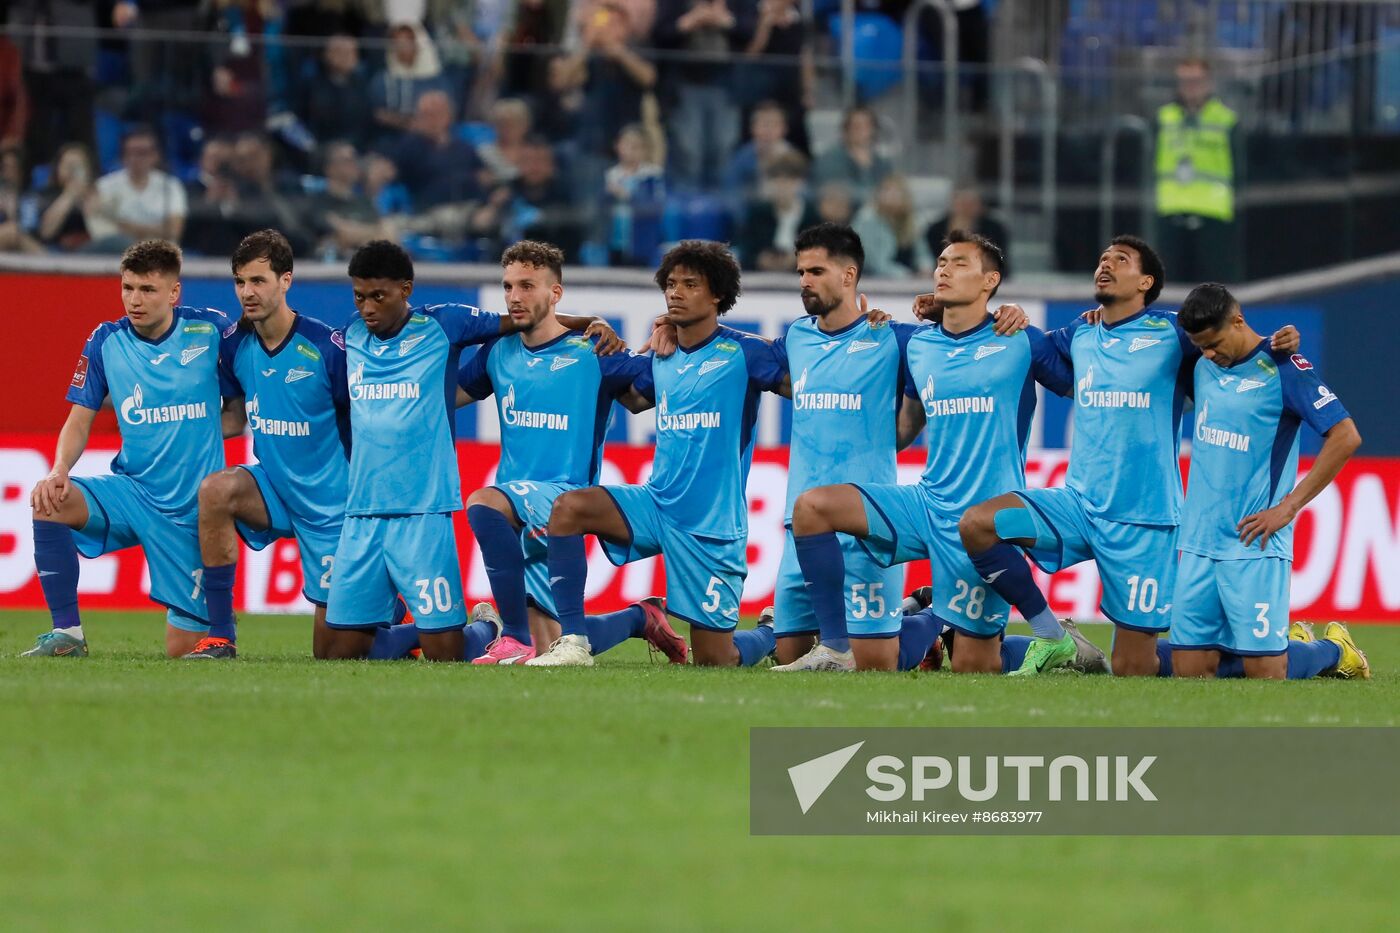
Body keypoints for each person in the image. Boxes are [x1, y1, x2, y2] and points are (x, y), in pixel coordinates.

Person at [958, 236, 1301, 677]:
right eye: (1102, 258)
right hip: (1078, 504)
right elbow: (1030, 347)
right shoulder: (1080, 332)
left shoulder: (1174, 333)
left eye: (1120, 260)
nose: (1106, 264)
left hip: (1145, 519)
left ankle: (1310, 652)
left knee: (1133, 668)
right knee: (979, 524)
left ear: (1146, 282)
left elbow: (1234, 342)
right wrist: (1003, 314)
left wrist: (1277, 342)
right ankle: (1053, 636)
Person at [789, 231, 1104, 674]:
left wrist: (1095, 319)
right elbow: (904, 426)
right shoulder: (918, 345)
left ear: (990, 280)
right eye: (941, 262)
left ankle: (1059, 641)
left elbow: (1086, 386)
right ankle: (835, 649)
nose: (943, 269)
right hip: (925, 503)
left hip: (983, 521)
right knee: (812, 508)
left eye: (959, 263)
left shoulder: (1021, 340)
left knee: (975, 667)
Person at [319, 241, 621, 662]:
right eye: (359, 297)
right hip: (363, 510)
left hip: (428, 510)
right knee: (334, 652)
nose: (367, 307)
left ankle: (491, 630)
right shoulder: (350, 334)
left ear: (405, 290)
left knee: (449, 652)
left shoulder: (445, 324)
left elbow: (524, 320)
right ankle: (467, 628)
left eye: (378, 296)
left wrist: (588, 322)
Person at [535, 241, 785, 667]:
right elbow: (633, 398)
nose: (676, 293)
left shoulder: (743, 353)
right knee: (568, 509)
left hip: (711, 526)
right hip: (657, 504)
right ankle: (573, 641)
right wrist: (598, 327)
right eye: (670, 284)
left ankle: (770, 632)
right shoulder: (661, 355)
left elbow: (801, 376)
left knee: (715, 661)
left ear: (718, 294)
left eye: (690, 284)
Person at [453, 240, 687, 664]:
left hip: (562, 499)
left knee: (482, 502)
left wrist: (671, 336)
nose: (514, 297)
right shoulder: (498, 351)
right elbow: (447, 397)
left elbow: (647, 394)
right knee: (551, 646)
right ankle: (640, 617)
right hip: (515, 508)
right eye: (508, 286)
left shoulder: (593, 351)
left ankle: (510, 636)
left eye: (527, 286)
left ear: (555, 292)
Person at [23, 240, 237, 658]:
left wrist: (199, 431)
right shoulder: (106, 340)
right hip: (133, 493)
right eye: (128, 288)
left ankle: (213, 617)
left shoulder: (211, 330)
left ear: (174, 292)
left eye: (147, 289)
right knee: (49, 501)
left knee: (184, 651)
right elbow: (78, 419)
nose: (134, 300)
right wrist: (59, 468)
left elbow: (239, 410)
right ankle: (67, 634)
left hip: (190, 511)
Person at [1169, 283, 1367, 679]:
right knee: (1191, 671)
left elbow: (1346, 436)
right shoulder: (1203, 362)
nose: (1208, 355)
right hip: (1199, 542)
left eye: (1214, 344)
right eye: (1200, 347)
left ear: (1238, 321)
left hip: (1253, 542)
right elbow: (1145, 322)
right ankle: (1286, 643)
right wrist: (1099, 317)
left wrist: (1288, 507)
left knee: (1267, 673)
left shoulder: (1284, 367)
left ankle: (1334, 650)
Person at [188, 230, 350, 660]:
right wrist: (173, 426)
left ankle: (451, 629)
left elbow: (364, 427)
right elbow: (233, 420)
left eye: (258, 280)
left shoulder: (326, 348)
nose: (247, 292)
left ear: (286, 280)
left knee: (335, 652)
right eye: (240, 281)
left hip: (332, 508)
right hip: (274, 489)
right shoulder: (234, 345)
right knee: (215, 491)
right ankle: (220, 635)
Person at [1155, 58, 1240, 282]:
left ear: (1209, 83)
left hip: (1213, 214)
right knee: (1170, 288)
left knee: (1211, 289)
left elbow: (1240, 169)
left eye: (1196, 81)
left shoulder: (1226, 119)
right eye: (1185, 81)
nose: (1190, 87)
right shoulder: (1164, 118)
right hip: (1172, 212)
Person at [89, 127, 188, 251]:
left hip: (160, 253)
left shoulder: (170, 185)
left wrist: (126, 226)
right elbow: (100, 230)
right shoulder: (105, 185)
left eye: (141, 153)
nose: (134, 158)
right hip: (118, 253)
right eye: (129, 152)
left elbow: (174, 231)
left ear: (155, 155)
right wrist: (155, 230)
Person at [736, 152, 817, 271]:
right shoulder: (757, 214)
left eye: (788, 179)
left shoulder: (812, 216)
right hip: (761, 278)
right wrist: (759, 259)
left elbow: (820, 256)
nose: (782, 185)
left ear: (800, 182)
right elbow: (744, 251)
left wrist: (798, 260)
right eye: (776, 179)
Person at [604, 124, 667, 266]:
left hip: (642, 243)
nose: (631, 150)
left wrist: (629, 196)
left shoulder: (652, 176)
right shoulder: (610, 175)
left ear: (645, 149)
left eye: (636, 146)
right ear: (617, 146)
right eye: (626, 144)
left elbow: (656, 207)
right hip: (615, 243)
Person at [852, 174, 933, 277]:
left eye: (897, 192)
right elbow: (876, 264)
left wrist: (925, 267)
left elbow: (922, 253)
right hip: (873, 280)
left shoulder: (912, 221)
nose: (892, 196)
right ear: (878, 194)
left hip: (909, 280)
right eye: (887, 190)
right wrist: (907, 275)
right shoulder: (866, 220)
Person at [811, 106, 892, 207]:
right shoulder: (829, 159)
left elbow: (891, 190)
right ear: (845, 131)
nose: (862, 131)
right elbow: (835, 192)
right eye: (856, 126)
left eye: (867, 126)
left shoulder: (882, 163)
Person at [925, 186, 1010, 279]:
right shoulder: (935, 230)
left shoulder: (995, 229)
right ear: (953, 204)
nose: (966, 208)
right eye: (962, 203)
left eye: (971, 203)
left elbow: (1000, 262)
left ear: (980, 205)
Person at [37, 143, 99, 251]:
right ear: (58, 169)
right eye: (69, 166)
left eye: (77, 167)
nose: (72, 172)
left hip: (94, 250)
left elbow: (102, 230)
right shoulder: (46, 194)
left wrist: (87, 197)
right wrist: (70, 194)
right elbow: (46, 233)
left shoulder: (100, 192)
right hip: (55, 251)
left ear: (88, 170)